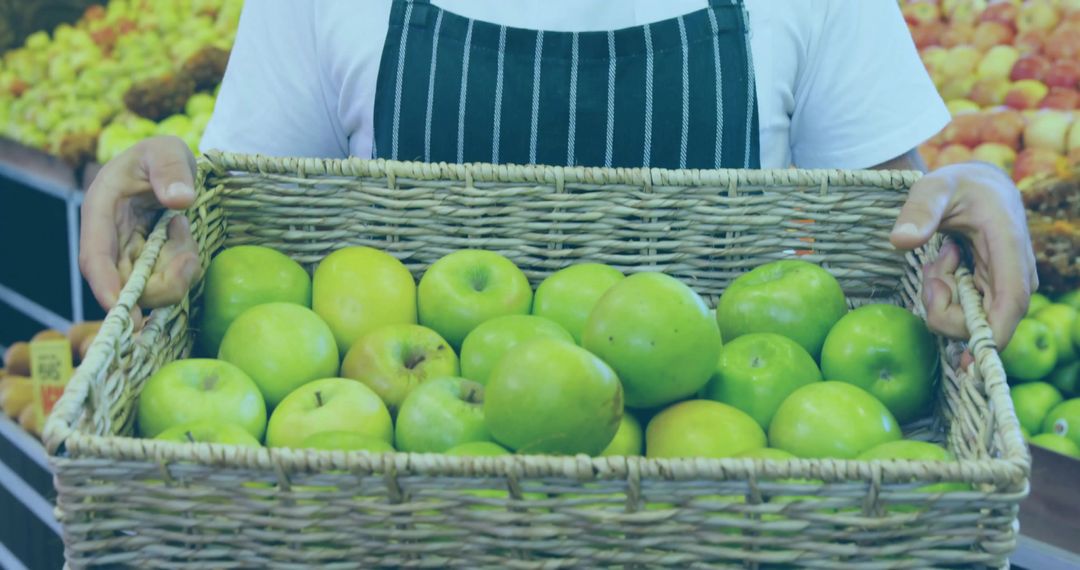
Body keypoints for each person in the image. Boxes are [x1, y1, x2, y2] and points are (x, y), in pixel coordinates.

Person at [79, 0, 1037, 352]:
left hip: (728, 511)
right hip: (397, 511)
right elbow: (249, 226)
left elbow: (897, 230)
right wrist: (159, 204)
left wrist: (978, 194)